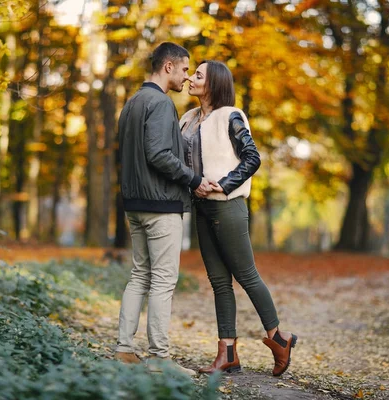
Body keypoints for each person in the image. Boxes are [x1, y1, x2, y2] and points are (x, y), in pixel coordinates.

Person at [180, 60, 297, 376]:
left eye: (198, 75)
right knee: (219, 281)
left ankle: (278, 337)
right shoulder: (188, 119)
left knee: (246, 274)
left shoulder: (230, 116)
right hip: (201, 208)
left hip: (228, 206)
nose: (191, 78)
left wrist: (225, 183)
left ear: (214, 83)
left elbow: (252, 157)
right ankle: (227, 352)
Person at [114, 43, 215, 376]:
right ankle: (159, 358)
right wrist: (193, 179)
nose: (187, 77)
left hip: (134, 205)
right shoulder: (159, 103)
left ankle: (124, 349)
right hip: (160, 205)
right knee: (162, 282)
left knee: (140, 276)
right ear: (168, 66)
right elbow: (158, 154)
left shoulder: (132, 103)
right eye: (185, 69)